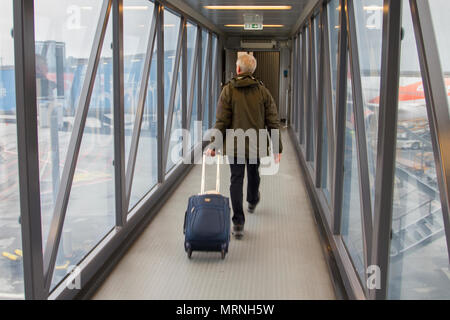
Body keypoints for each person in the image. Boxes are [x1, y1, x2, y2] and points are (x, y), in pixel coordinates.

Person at [206, 53, 283, 239]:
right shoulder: (263, 91)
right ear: (252, 71)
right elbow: (273, 120)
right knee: (254, 172)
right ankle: (253, 200)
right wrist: (276, 148)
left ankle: (238, 222)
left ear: (238, 69)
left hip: (235, 145)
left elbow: (221, 121)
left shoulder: (228, 90)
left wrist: (214, 145)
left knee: (236, 179)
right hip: (255, 144)